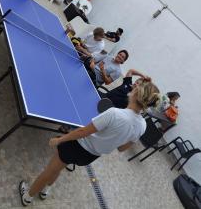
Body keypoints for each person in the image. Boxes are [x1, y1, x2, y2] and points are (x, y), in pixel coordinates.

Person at [19, 81, 160, 206]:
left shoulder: (114, 113)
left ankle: (28, 197)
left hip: (76, 146)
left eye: (137, 86)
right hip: (90, 156)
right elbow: (122, 148)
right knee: (59, 167)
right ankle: (45, 190)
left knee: (50, 170)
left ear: (136, 93)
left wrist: (60, 140)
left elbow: (83, 132)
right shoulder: (142, 126)